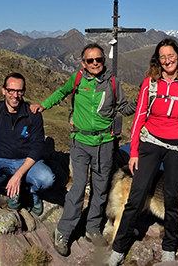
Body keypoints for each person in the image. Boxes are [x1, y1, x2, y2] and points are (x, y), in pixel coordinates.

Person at [30, 43, 137, 256]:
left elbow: (124, 108)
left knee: (100, 189)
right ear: (83, 63)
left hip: (105, 144)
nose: (95, 63)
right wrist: (43, 105)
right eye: (90, 60)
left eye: (98, 59)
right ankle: (64, 231)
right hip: (80, 142)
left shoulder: (114, 83)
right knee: (78, 187)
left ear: (103, 61)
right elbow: (61, 92)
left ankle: (92, 229)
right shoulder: (77, 79)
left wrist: (140, 101)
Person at [108, 38, 178, 265]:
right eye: (162, 57)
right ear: (157, 60)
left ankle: (169, 248)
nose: (167, 60)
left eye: (171, 56)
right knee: (137, 193)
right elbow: (139, 119)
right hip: (150, 142)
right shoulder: (150, 84)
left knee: (172, 197)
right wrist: (133, 152)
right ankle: (119, 248)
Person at [0, 72, 55, 216]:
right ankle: (14, 192)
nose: (15, 95)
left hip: (26, 161)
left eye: (19, 91)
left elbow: (37, 147)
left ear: (23, 92)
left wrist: (18, 175)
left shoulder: (33, 114)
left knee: (47, 179)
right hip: (0, 160)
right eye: (11, 90)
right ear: (4, 91)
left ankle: (31, 191)